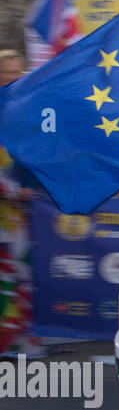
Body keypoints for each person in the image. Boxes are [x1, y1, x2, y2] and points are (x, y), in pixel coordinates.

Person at [0, 50, 35, 356]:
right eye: (5, 71)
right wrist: (13, 190)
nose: (11, 77)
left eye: (16, 71)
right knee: (7, 279)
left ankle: (17, 339)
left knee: (20, 276)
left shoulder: (21, 111)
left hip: (18, 219)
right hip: (4, 215)